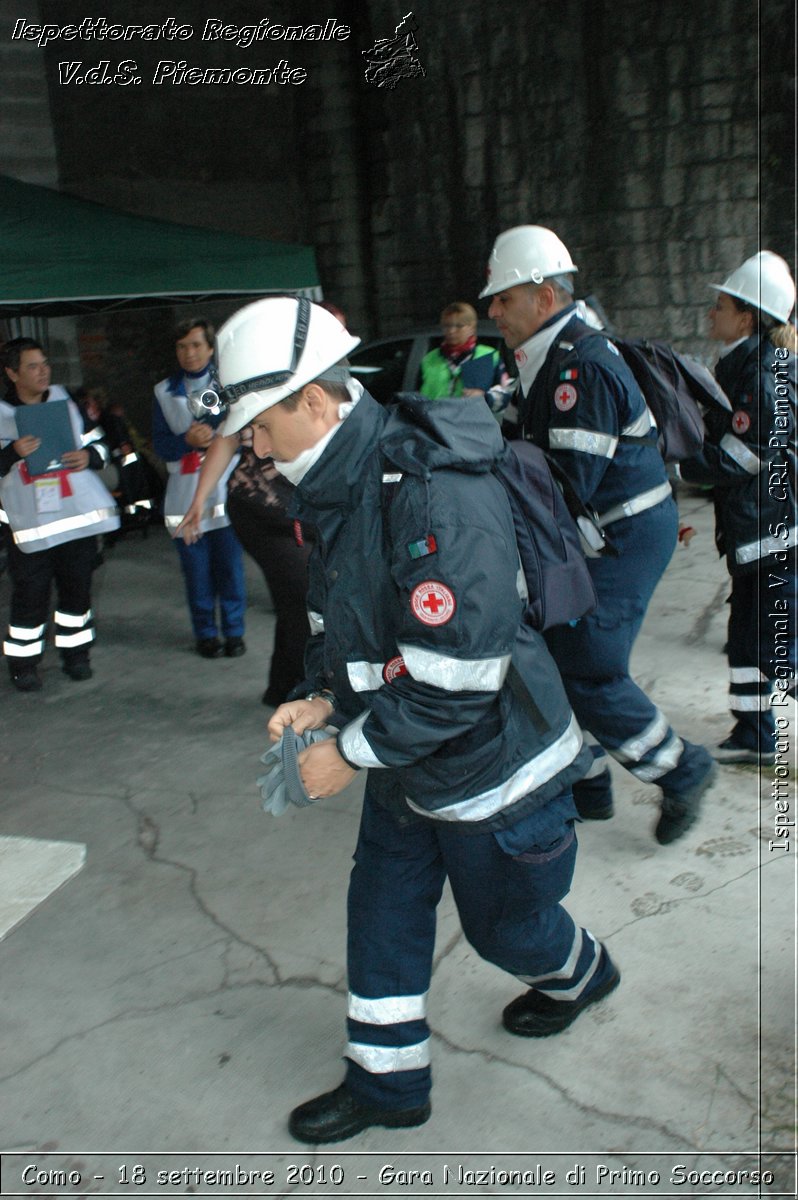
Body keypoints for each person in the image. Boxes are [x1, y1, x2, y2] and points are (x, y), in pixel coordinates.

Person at [211, 296, 620, 1144]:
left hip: (493, 777)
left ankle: (583, 973)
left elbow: (459, 679)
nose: (251, 444)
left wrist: (345, 754)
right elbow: (349, 619)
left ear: (315, 404)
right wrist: (322, 694)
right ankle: (388, 1085)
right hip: (407, 758)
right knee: (382, 910)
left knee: (510, 931)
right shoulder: (339, 481)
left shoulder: (429, 491)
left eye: (258, 423)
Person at [481, 226, 717, 844]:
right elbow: (513, 437)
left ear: (543, 295)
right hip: (601, 534)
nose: (492, 311)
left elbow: (559, 489)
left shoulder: (579, 370)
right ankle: (587, 779)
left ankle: (682, 768)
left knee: (589, 667)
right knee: (553, 654)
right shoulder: (551, 359)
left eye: (503, 297)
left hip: (621, 537)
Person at [681, 251, 797, 764]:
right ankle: (756, 735)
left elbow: (745, 455)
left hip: (771, 536)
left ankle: (761, 738)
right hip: (765, 533)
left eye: (721, 306)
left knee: (764, 645)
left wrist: (682, 466)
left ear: (747, 317)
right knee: (757, 641)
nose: (711, 315)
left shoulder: (758, 377)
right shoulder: (748, 367)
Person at [0, 338, 119, 691]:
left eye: (45, 364)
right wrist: (12, 454)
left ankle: (76, 655)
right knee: (30, 595)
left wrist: (90, 457)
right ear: (12, 373)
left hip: (74, 521)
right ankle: (23, 665)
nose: (43, 371)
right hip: (29, 527)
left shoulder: (66, 402)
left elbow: (101, 444)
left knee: (77, 591)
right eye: (33, 366)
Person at [178, 428, 312, 706]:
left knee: (301, 598)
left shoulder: (338, 392)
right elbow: (226, 438)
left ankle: (284, 689)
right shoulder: (258, 387)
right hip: (261, 507)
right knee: (305, 596)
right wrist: (199, 500)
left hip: (307, 505)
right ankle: (304, 694)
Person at [152, 317, 246, 658]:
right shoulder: (163, 391)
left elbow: (244, 430)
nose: (189, 353)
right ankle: (206, 633)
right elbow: (160, 445)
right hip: (183, 493)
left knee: (230, 569)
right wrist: (185, 440)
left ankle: (234, 631)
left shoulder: (230, 385)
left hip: (224, 491)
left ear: (210, 348)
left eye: (195, 345)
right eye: (182, 346)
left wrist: (216, 437)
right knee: (196, 572)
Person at [419, 301, 508, 413]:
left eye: (459, 326)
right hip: (436, 426)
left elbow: (506, 397)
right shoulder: (429, 359)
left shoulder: (489, 356)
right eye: (447, 325)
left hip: (473, 426)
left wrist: (484, 397)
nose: (451, 331)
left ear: (472, 327)